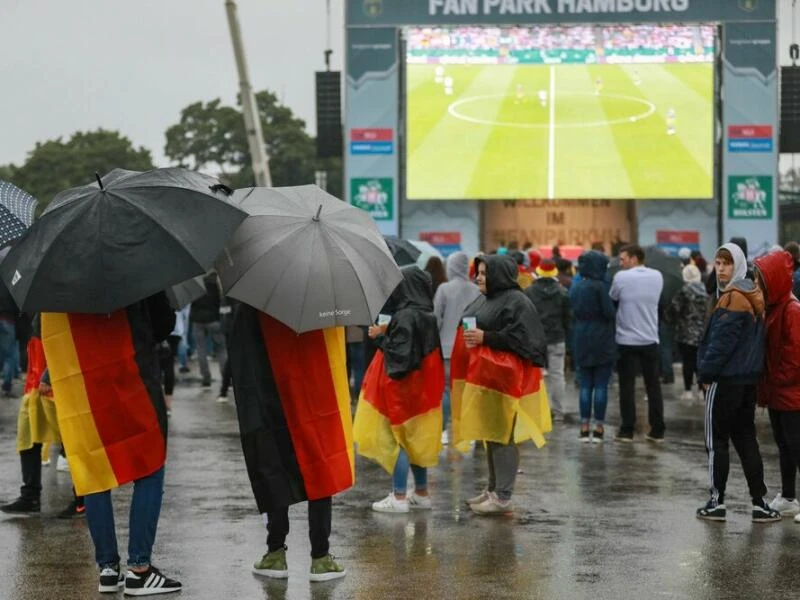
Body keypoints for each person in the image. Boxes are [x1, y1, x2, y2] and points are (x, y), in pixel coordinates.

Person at [40, 293, 181, 594]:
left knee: (92, 471)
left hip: (82, 385)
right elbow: (163, 323)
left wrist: (50, 373)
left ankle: (107, 568)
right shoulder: (132, 254)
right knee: (150, 464)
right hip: (131, 376)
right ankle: (140, 569)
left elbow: (52, 335)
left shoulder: (55, 270)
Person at [228, 303, 351, 581]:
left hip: (270, 395)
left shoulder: (254, 295)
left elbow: (239, 350)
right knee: (320, 466)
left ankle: (275, 553)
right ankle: (320, 557)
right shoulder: (326, 294)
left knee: (274, 465)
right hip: (315, 395)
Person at [451, 255, 549, 515]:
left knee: (503, 435)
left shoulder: (518, 301)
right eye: (478, 272)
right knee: (490, 434)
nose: (478, 277)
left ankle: (503, 496)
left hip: (505, 380)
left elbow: (527, 341)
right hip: (484, 378)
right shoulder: (487, 297)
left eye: (484, 273)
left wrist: (487, 337)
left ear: (498, 275)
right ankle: (493, 489)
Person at [695, 244, 779, 523]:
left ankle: (717, 501)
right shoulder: (753, 294)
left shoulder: (733, 298)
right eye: (718, 263)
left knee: (716, 441)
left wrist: (705, 374)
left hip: (725, 380)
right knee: (746, 440)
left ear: (738, 265)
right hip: (747, 381)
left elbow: (720, 344)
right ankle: (759, 502)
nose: (720, 269)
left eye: (726, 264)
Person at [354, 267, 444, 514]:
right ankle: (422, 492)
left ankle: (399, 496)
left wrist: (379, 337)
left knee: (398, 439)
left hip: (400, 390)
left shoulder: (405, 316)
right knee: (414, 437)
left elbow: (399, 359)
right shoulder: (427, 315)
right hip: (422, 389)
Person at [1, 315, 83, 519]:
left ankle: (84, 498)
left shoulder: (63, 292)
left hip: (56, 377)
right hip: (36, 377)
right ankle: (30, 496)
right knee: (27, 435)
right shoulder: (41, 290)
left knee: (73, 441)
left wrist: (49, 373)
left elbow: (68, 337)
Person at [753, 251, 800, 521]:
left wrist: (777, 380)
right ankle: (789, 496)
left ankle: (791, 496)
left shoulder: (791, 309)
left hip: (790, 391)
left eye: (762, 280)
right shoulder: (775, 307)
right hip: (778, 391)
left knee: (795, 445)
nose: (758, 285)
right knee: (784, 445)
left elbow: (794, 355)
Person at [609, 244, 666, 443]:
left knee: (627, 386)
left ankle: (627, 430)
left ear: (634, 258)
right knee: (653, 386)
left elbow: (613, 297)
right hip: (650, 338)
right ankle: (657, 429)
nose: (621, 262)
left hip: (626, 339)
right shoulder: (658, 276)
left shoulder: (620, 277)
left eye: (623, 259)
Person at [433, 252, 482, 441]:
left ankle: (444, 432)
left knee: (446, 390)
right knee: (470, 390)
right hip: (470, 347)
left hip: (446, 349)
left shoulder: (444, 289)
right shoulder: (476, 290)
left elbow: (436, 318)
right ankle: (470, 433)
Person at [569, 251, 616, 442]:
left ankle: (584, 426)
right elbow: (609, 313)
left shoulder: (576, 287)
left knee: (585, 385)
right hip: (602, 338)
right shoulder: (601, 287)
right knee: (601, 386)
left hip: (581, 338)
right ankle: (598, 428)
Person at [525, 259, 570, 422]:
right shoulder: (562, 292)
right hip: (557, 338)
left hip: (535, 340)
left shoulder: (529, 292)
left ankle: (538, 411)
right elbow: (567, 319)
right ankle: (558, 411)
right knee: (557, 375)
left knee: (537, 376)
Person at [667, 264, 708, 402]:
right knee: (700, 363)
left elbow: (674, 309)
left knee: (688, 362)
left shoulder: (684, 291)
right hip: (702, 333)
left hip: (685, 333)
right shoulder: (705, 290)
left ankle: (688, 390)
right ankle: (702, 391)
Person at [190, 272, 226, 389]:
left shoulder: (195, 284)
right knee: (221, 349)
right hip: (215, 319)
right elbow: (221, 300)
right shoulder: (216, 283)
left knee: (201, 349)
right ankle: (225, 378)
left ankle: (206, 379)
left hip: (198, 319)